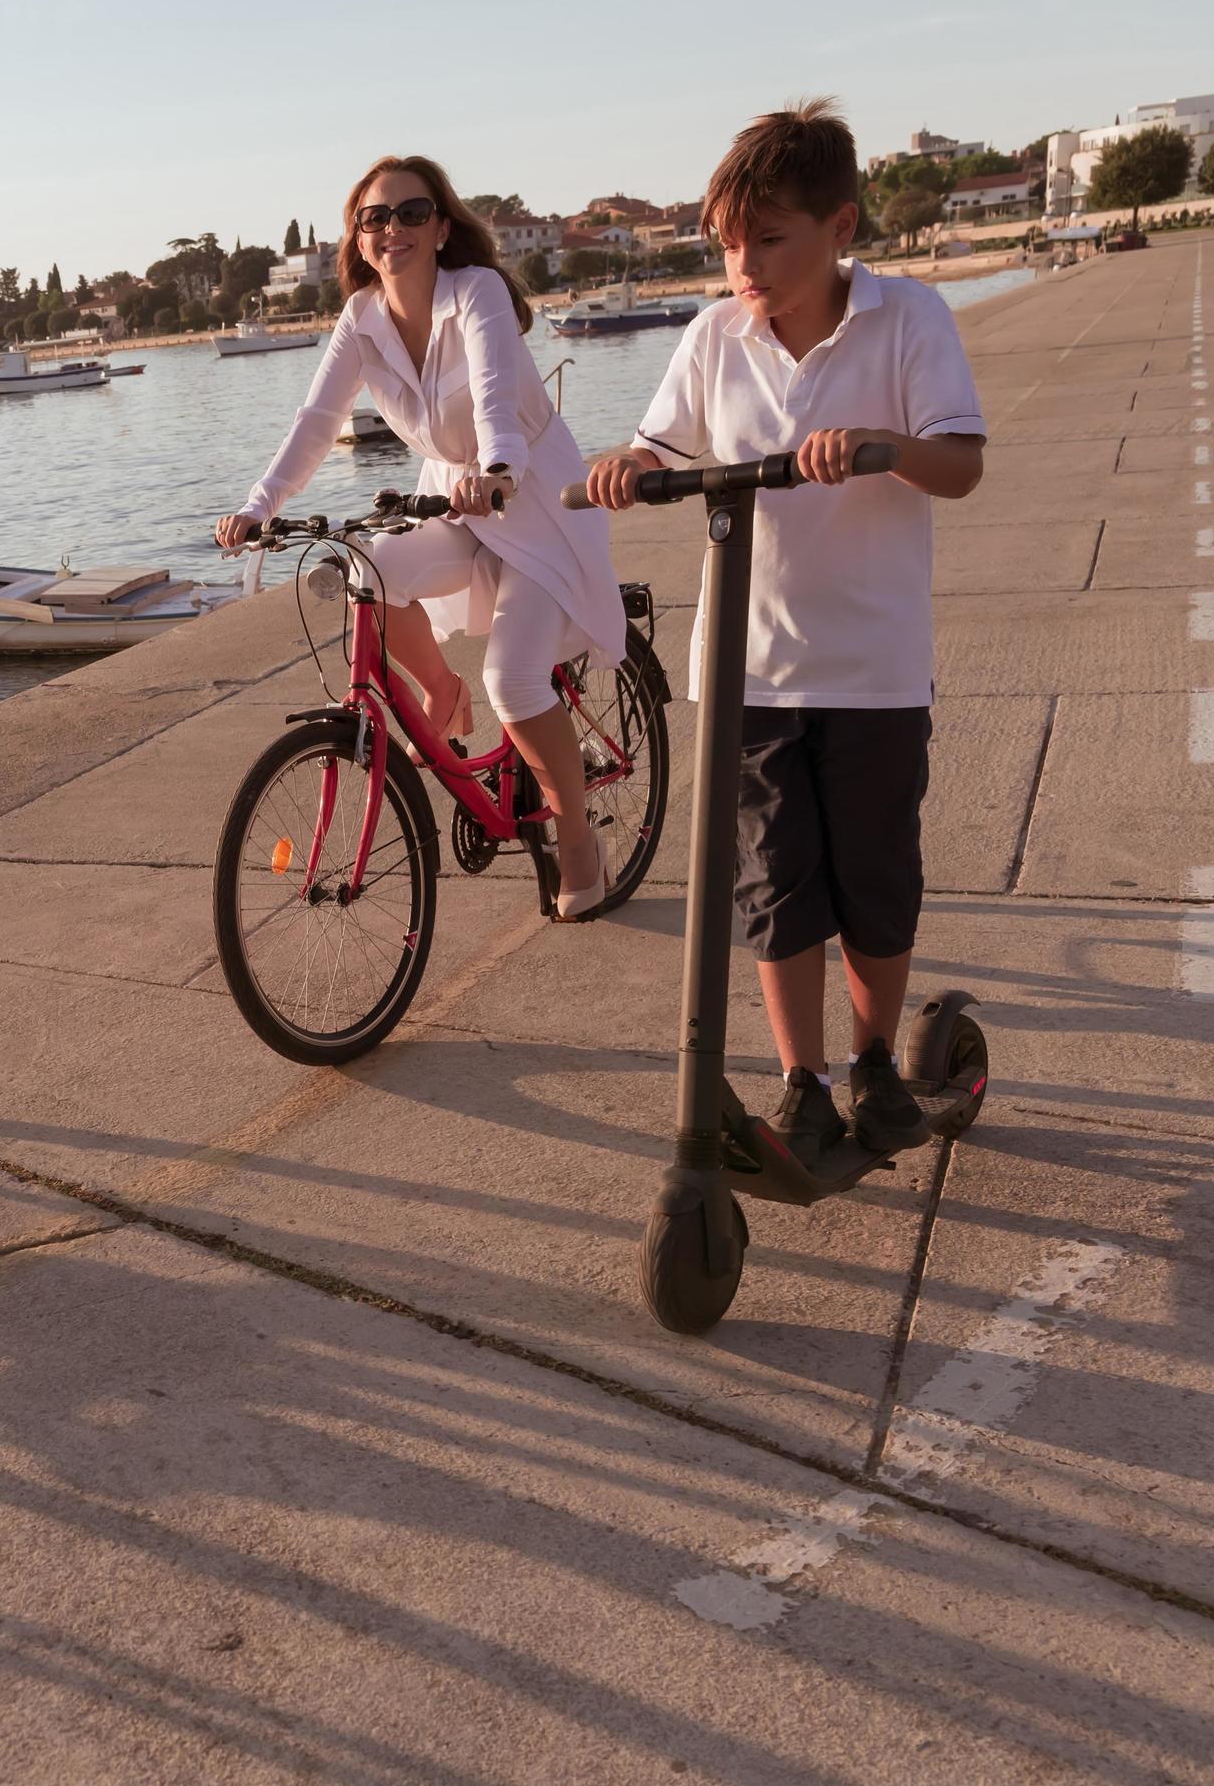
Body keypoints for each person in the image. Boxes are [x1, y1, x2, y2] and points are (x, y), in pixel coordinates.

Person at [583, 99, 986, 1156]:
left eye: (767, 237)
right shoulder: (714, 336)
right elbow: (658, 449)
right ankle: (801, 1080)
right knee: (774, 887)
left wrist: (882, 445)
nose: (741, 265)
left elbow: (960, 462)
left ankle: (869, 1062)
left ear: (839, 227)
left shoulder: (907, 321)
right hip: (748, 670)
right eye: (725, 243)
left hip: (871, 669)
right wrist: (631, 469)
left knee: (873, 883)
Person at [217, 154, 629, 919]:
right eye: (374, 217)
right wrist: (258, 504)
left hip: (530, 498)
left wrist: (498, 466)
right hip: (453, 499)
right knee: (364, 567)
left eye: (410, 213)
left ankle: (575, 832)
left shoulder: (477, 293)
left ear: (441, 226)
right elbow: (316, 422)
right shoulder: (360, 318)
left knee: (513, 680)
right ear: (357, 236)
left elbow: (495, 398)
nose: (391, 229)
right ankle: (440, 691)